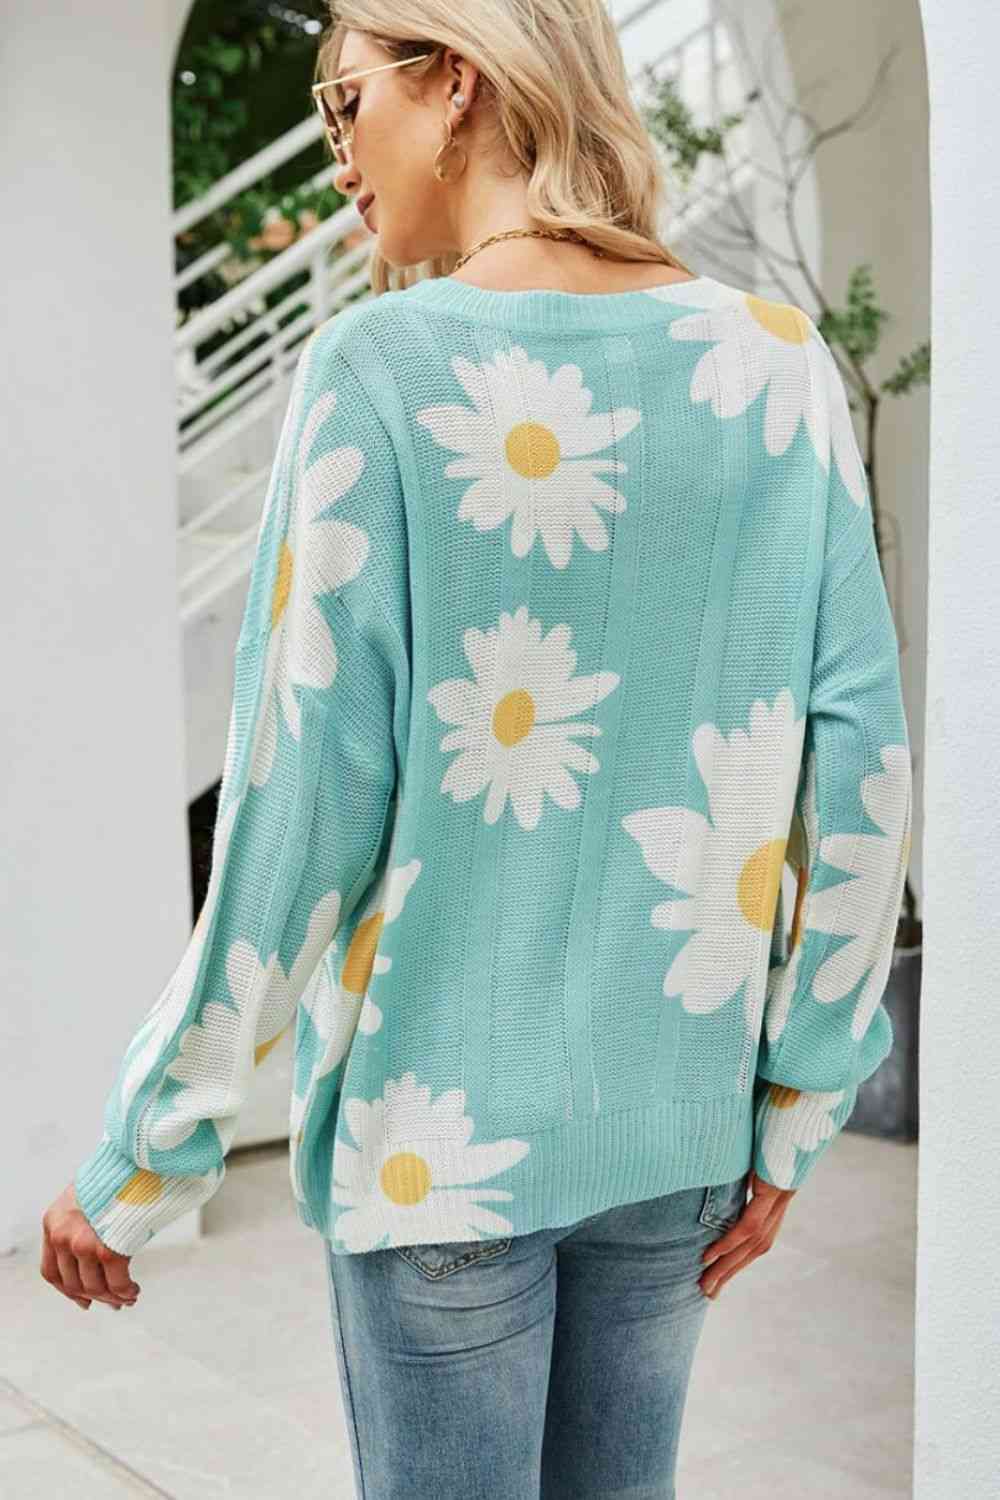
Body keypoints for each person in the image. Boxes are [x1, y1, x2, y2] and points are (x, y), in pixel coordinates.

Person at [42, 2, 912, 1496]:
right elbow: (864, 773)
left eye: (344, 102)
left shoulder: (379, 372)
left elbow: (302, 800)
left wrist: (152, 1140)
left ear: (453, 81)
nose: (336, 155)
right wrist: (796, 1105)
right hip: (677, 1134)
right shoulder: (777, 366)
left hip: (436, 1148)